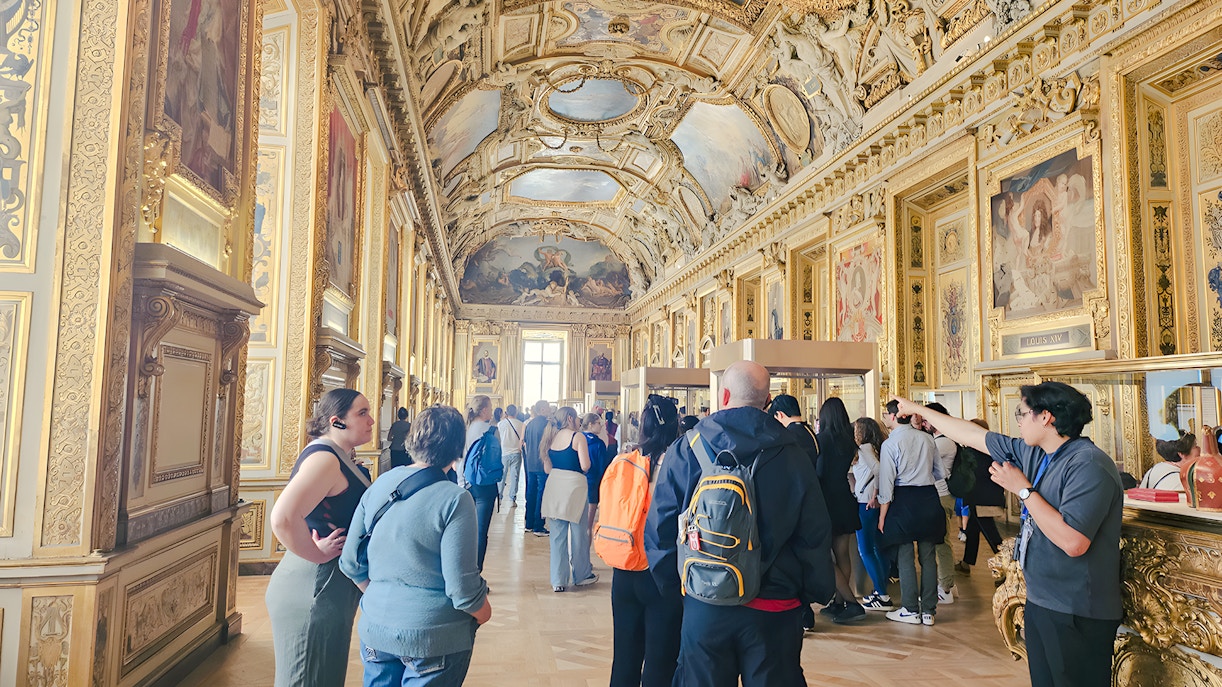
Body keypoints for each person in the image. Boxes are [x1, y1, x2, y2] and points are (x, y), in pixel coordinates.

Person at [894, 383, 1124, 687]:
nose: (1018, 420)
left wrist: (1024, 491)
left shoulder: (1088, 464)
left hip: (1078, 609)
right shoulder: (1038, 454)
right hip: (1043, 600)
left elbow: (1074, 541)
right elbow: (971, 435)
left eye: (1023, 412)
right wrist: (918, 409)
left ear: (1046, 417)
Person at [646, 361, 835, 687]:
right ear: (768, 401)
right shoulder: (793, 454)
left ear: (724, 394)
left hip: (706, 603)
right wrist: (812, 593)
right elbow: (815, 534)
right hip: (776, 605)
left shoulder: (686, 449)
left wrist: (682, 591)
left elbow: (660, 530)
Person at [339, 405, 492, 686]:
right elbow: (461, 587)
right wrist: (484, 612)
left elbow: (350, 561)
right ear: (457, 446)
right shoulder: (455, 499)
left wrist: (381, 595)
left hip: (376, 627)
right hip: (433, 636)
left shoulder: (381, 483)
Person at [266, 388, 374, 687]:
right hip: (313, 587)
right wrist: (318, 554)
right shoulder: (325, 459)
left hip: (328, 585)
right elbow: (283, 518)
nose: (372, 420)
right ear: (337, 421)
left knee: (322, 676)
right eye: (362, 413)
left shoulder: (338, 455)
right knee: (306, 679)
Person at [609, 394, 683, 687]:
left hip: (624, 568)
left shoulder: (624, 461)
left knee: (624, 657)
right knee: (660, 659)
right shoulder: (678, 465)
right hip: (660, 571)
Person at [877, 399, 945, 626]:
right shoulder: (927, 438)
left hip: (903, 499)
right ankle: (928, 610)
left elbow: (886, 484)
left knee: (905, 556)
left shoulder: (890, 443)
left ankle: (909, 608)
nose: (886, 417)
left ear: (895, 416)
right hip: (928, 496)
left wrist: (882, 515)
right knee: (928, 556)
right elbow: (940, 472)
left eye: (887, 414)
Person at [765, 394, 825, 630]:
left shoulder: (788, 436)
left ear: (779, 415)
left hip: (793, 502)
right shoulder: (810, 433)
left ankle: (803, 614)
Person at [814, 397, 866, 623]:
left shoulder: (820, 440)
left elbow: (819, 471)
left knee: (825, 556)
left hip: (826, 500)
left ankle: (852, 603)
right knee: (843, 553)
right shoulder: (848, 441)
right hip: (844, 497)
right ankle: (838, 602)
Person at [541, 407, 597, 591]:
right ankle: (581, 575)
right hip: (574, 487)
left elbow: (547, 469)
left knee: (557, 536)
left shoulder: (550, 437)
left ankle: (558, 580)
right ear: (571, 419)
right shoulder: (577, 437)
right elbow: (585, 465)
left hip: (555, 484)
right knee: (579, 533)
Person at [851, 417, 893, 610]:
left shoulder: (865, 448)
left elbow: (878, 470)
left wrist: (875, 492)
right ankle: (880, 590)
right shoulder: (878, 447)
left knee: (865, 549)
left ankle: (882, 594)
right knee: (876, 548)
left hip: (866, 501)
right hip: (873, 501)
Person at [923, 401, 960, 605]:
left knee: (941, 543)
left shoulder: (942, 443)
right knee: (941, 541)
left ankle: (945, 587)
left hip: (940, 496)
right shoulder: (940, 440)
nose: (924, 423)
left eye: (927, 419)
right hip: (939, 495)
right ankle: (949, 584)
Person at [958, 418, 1005, 574]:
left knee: (992, 537)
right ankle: (966, 562)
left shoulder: (974, 452)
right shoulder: (992, 449)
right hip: (984, 497)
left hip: (981, 499)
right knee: (972, 529)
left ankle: (1005, 567)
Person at [462, 395, 498, 571]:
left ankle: (466, 571)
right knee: (481, 531)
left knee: (467, 530)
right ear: (483, 411)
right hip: (485, 484)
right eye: (490, 408)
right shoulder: (490, 430)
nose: (491, 412)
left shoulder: (466, 429)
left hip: (467, 483)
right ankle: (476, 573)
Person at [523, 400, 553, 536]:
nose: (550, 410)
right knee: (542, 492)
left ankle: (528, 523)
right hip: (542, 463)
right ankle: (538, 525)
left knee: (531, 492)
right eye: (547, 408)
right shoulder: (547, 424)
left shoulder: (529, 424)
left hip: (530, 462)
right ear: (542, 410)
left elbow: (526, 442)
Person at [582, 413, 612, 542]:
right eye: (599, 423)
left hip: (578, 482)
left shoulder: (578, 439)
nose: (601, 426)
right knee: (588, 525)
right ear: (590, 424)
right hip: (593, 483)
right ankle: (585, 558)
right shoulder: (598, 444)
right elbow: (602, 467)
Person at [498, 404, 526, 506]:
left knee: (502, 476)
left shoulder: (500, 424)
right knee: (515, 476)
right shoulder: (521, 424)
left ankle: (499, 496)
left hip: (504, 453)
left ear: (506, 412)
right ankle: (513, 498)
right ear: (516, 413)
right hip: (516, 453)